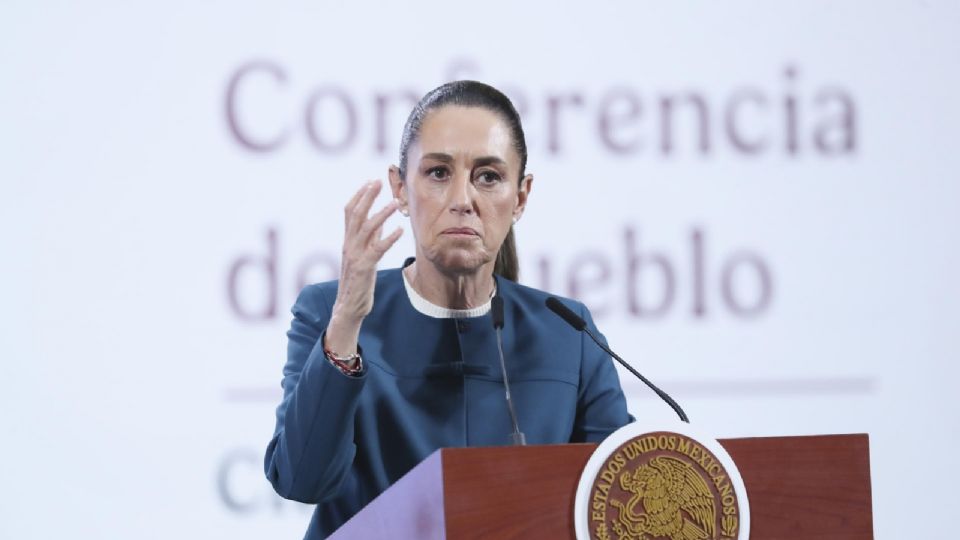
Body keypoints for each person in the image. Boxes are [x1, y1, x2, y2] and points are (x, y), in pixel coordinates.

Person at [264, 80, 633, 539]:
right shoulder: (329, 313)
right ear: (400, 188)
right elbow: (303, 481)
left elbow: (620, 497)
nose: (462, 200)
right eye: (438, 173)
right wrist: (346, 324)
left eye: (489, 177)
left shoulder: (568, 333)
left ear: (520, 197)